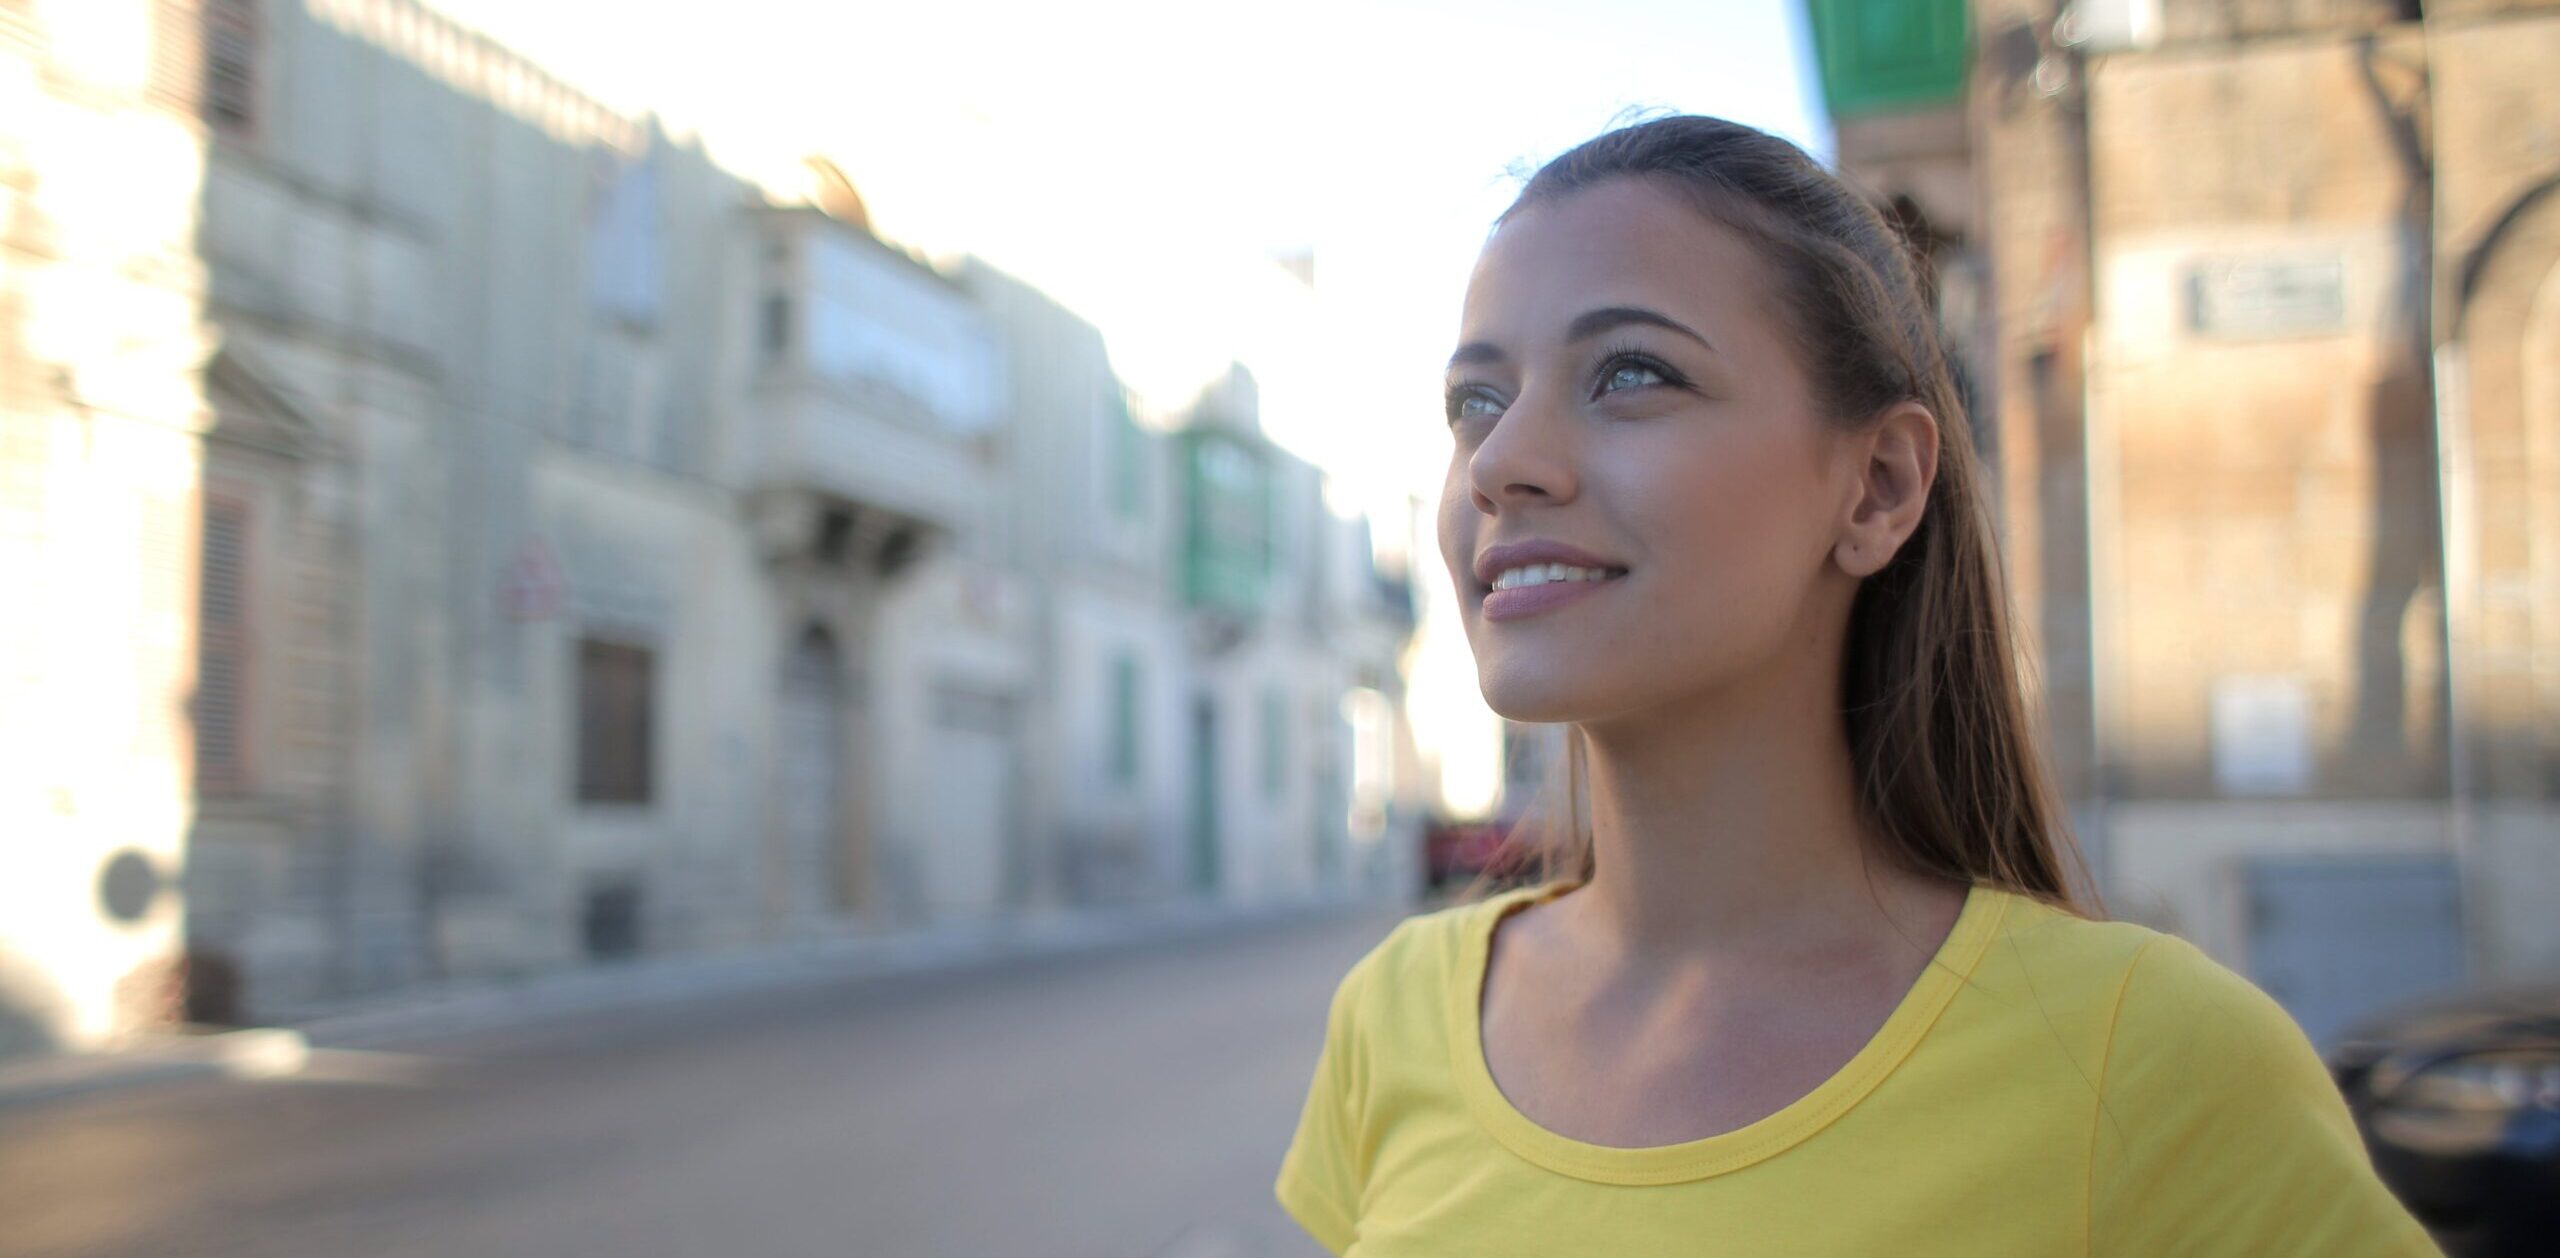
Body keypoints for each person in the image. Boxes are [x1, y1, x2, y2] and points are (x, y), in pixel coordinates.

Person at [1274, 116, 2438, 1256]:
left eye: (1629, 373)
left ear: (1878, 485)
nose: (1501, 464)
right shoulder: (1396, 1017)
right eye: (1474, 400)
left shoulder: (2147, 1062)